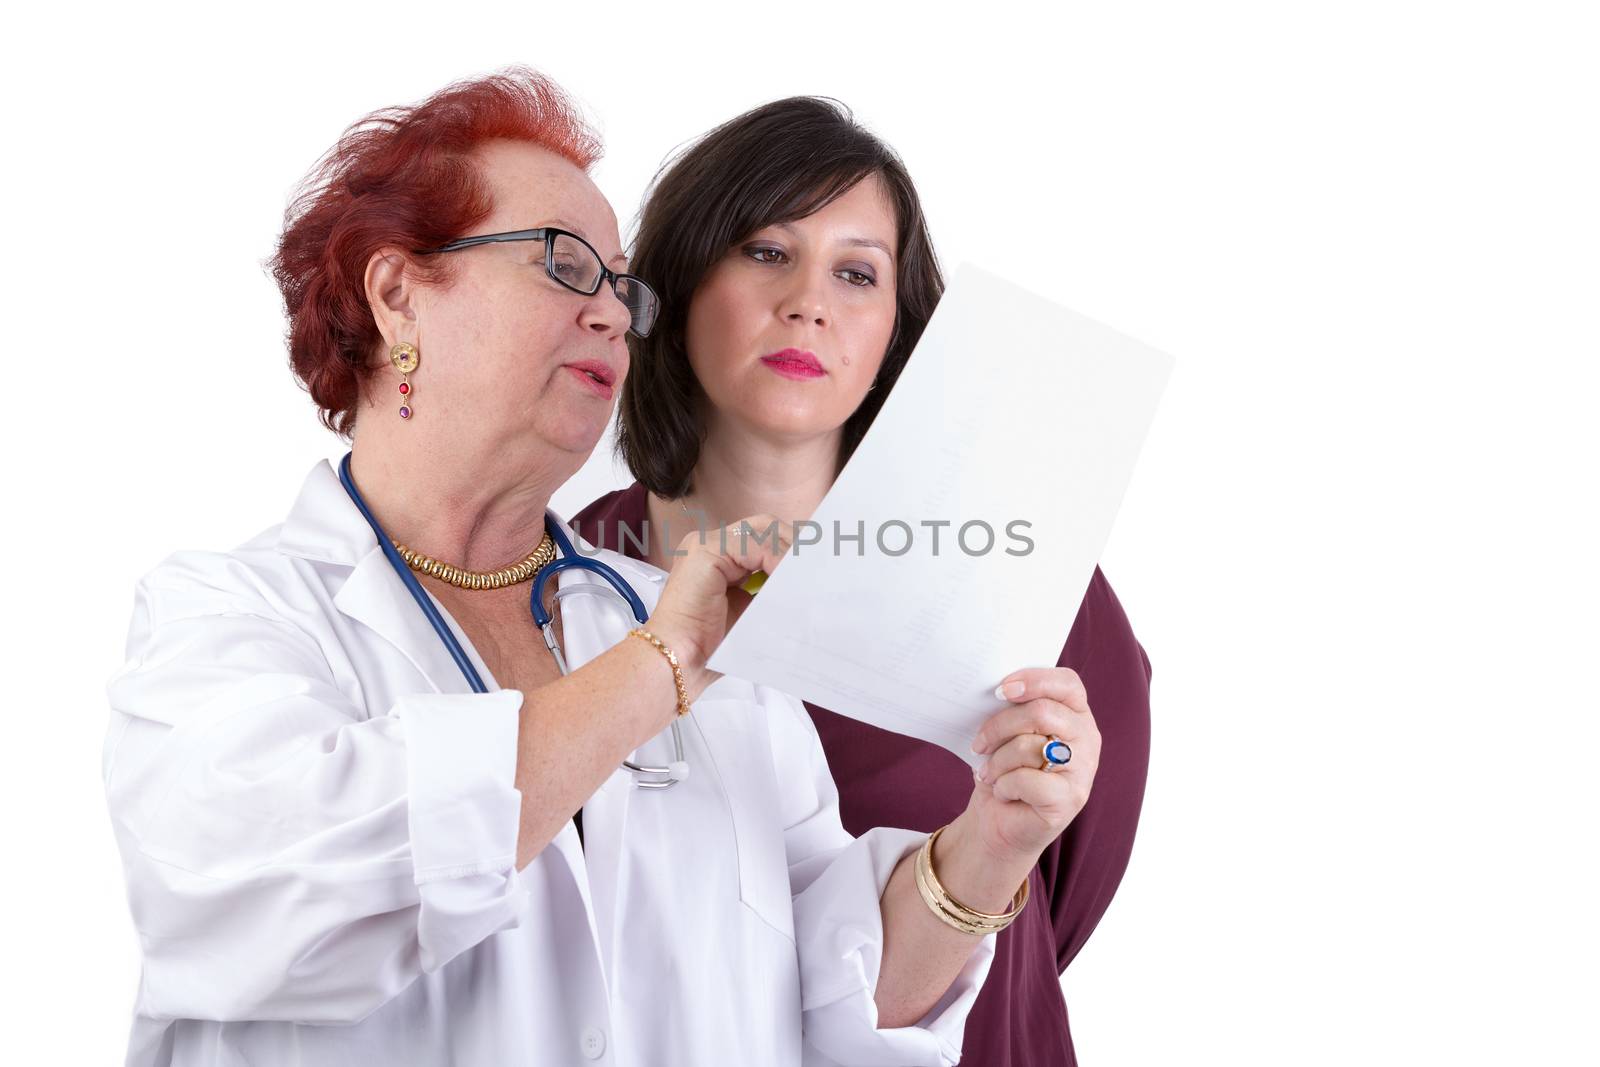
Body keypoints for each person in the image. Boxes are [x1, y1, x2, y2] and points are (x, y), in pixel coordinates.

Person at [102, 69, 1102, 1067]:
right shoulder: (227, 618)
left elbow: (831, 991)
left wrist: (990, 846)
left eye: (620, 286)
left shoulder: (691, 635)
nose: (613, 315)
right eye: (563, 264)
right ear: (399, 295)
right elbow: (271, 892)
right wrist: (652, 670)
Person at [573, 96, 1150, 1067]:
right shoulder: (570, 574)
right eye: (765, 251)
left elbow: (1060, 899)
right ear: (675, 282)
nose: (810, 302)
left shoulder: (1024, 573)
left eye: (856, 271)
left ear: (896, 325)